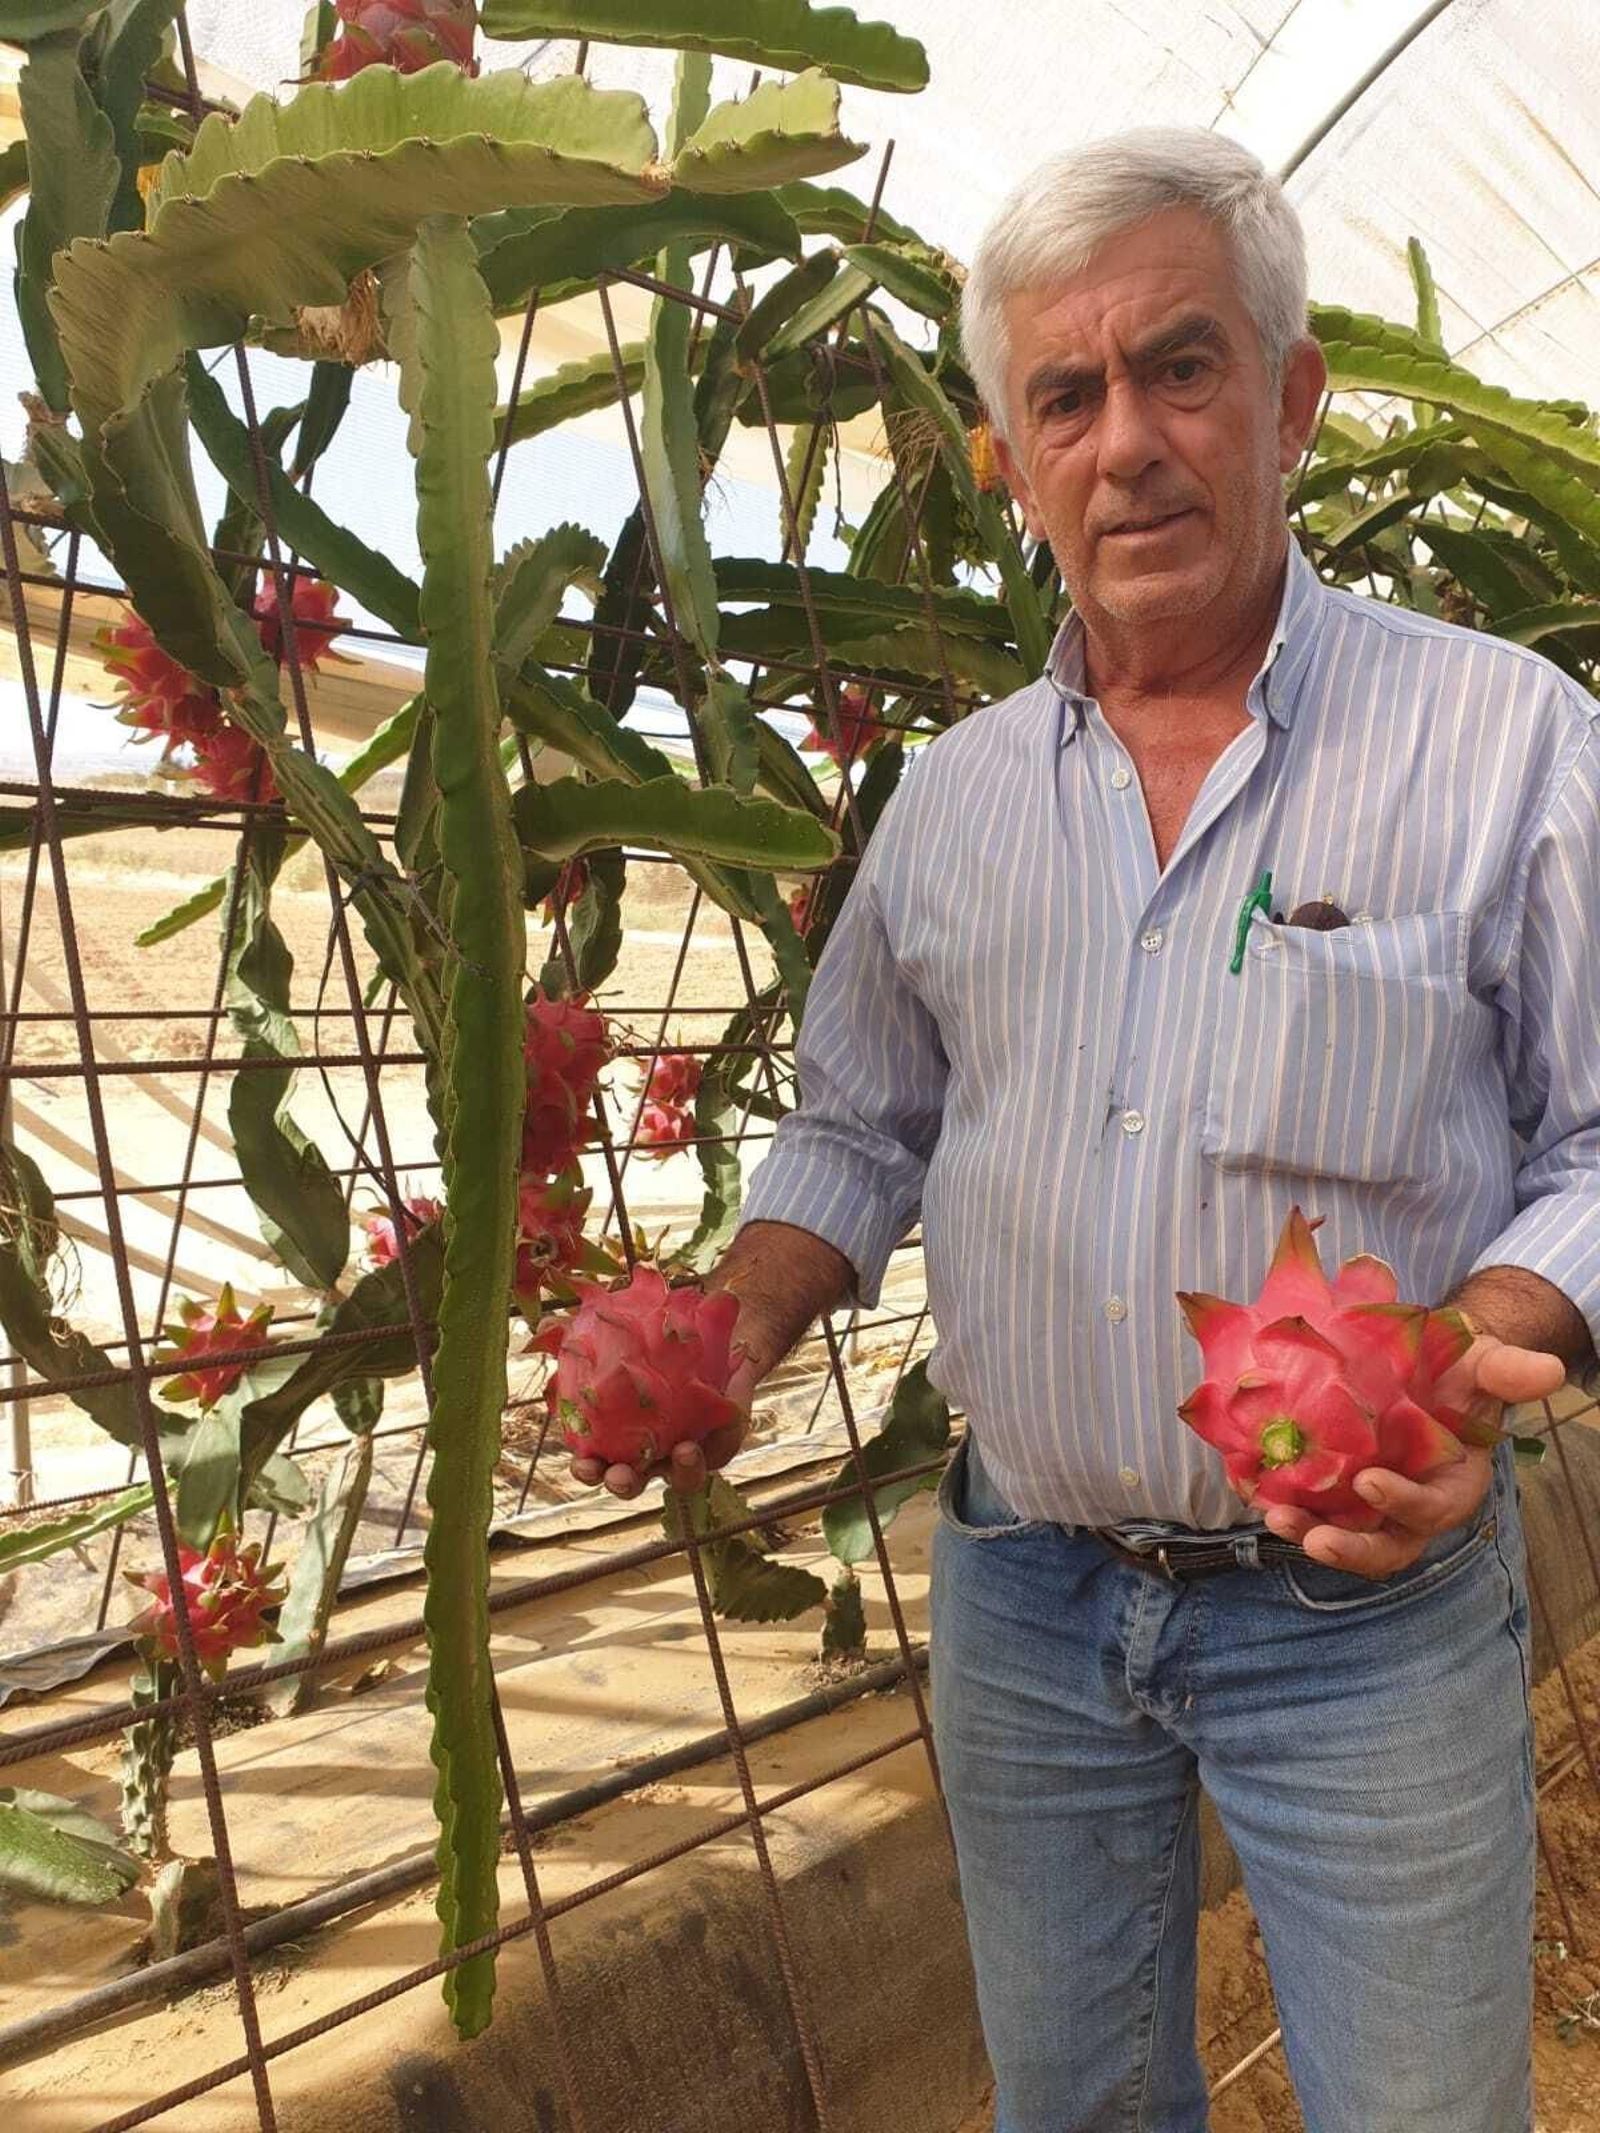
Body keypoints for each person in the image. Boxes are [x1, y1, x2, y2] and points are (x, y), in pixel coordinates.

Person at [571, 129, 1599, 2133]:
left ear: (1290, 400)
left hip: (1364, 1609)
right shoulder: (948, 803)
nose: (1125, 442)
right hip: (1026, 1600)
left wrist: (1466, 1346)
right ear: (1007, 459)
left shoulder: (1506, 742)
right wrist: (732, 1323)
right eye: (1065, 395)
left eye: (1180, 367)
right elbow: (858, 1124)